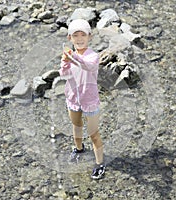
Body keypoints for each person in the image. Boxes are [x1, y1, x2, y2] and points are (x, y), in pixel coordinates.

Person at [59, 19, 105, 179]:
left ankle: (99, 163)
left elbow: (88, 66)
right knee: (76, 126)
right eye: (75, 35)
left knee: (93, 134)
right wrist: (65, 63)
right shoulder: (69, 56)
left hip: (90, 101)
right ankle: (78, 149)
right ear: (69, 38)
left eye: (83, 35)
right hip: (72, 98)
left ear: (89, 37)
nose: (79, 39)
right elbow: (64, 75)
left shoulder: (93, 56)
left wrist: (72, 57)